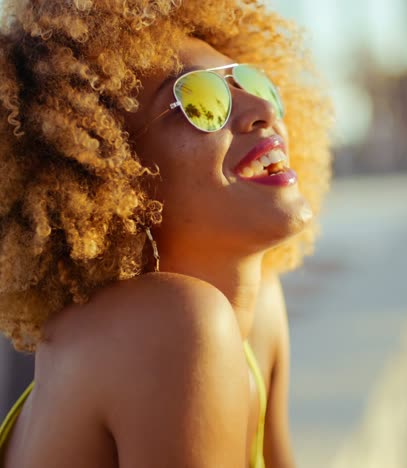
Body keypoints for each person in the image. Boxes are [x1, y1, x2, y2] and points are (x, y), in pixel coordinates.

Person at [0, 0, 331, 467]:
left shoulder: (258, 312)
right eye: (202, 101)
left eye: (256, 82)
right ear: (114, 170)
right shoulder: (171, 328)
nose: (261, 110)